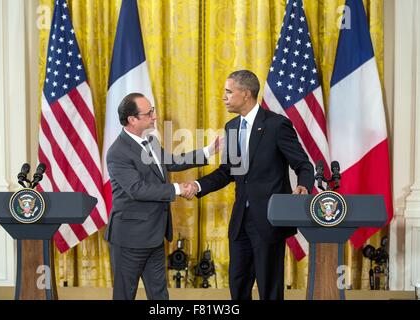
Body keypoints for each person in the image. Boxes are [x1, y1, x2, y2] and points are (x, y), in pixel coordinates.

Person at [189, 70, 314, 300]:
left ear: (245, 94)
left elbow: (303, 164)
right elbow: (227, 171)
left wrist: (304, 187)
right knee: (238, 283)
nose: (224, 97)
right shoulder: (232, 127)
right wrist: (197, 186)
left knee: (269, 288)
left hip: (269, 220)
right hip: (240, 222)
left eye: (229, 92)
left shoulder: (276, 125)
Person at [105, 92, 220, 300]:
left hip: (155, 235)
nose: (155, 116)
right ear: (132, 119)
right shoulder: (118, 152)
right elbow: (137, 189)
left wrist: (208, 151)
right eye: (149, 113)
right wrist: (178, 189)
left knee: (160, 295)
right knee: (124, 295)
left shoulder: (150, 141)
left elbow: (170, 161)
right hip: (129, 239)